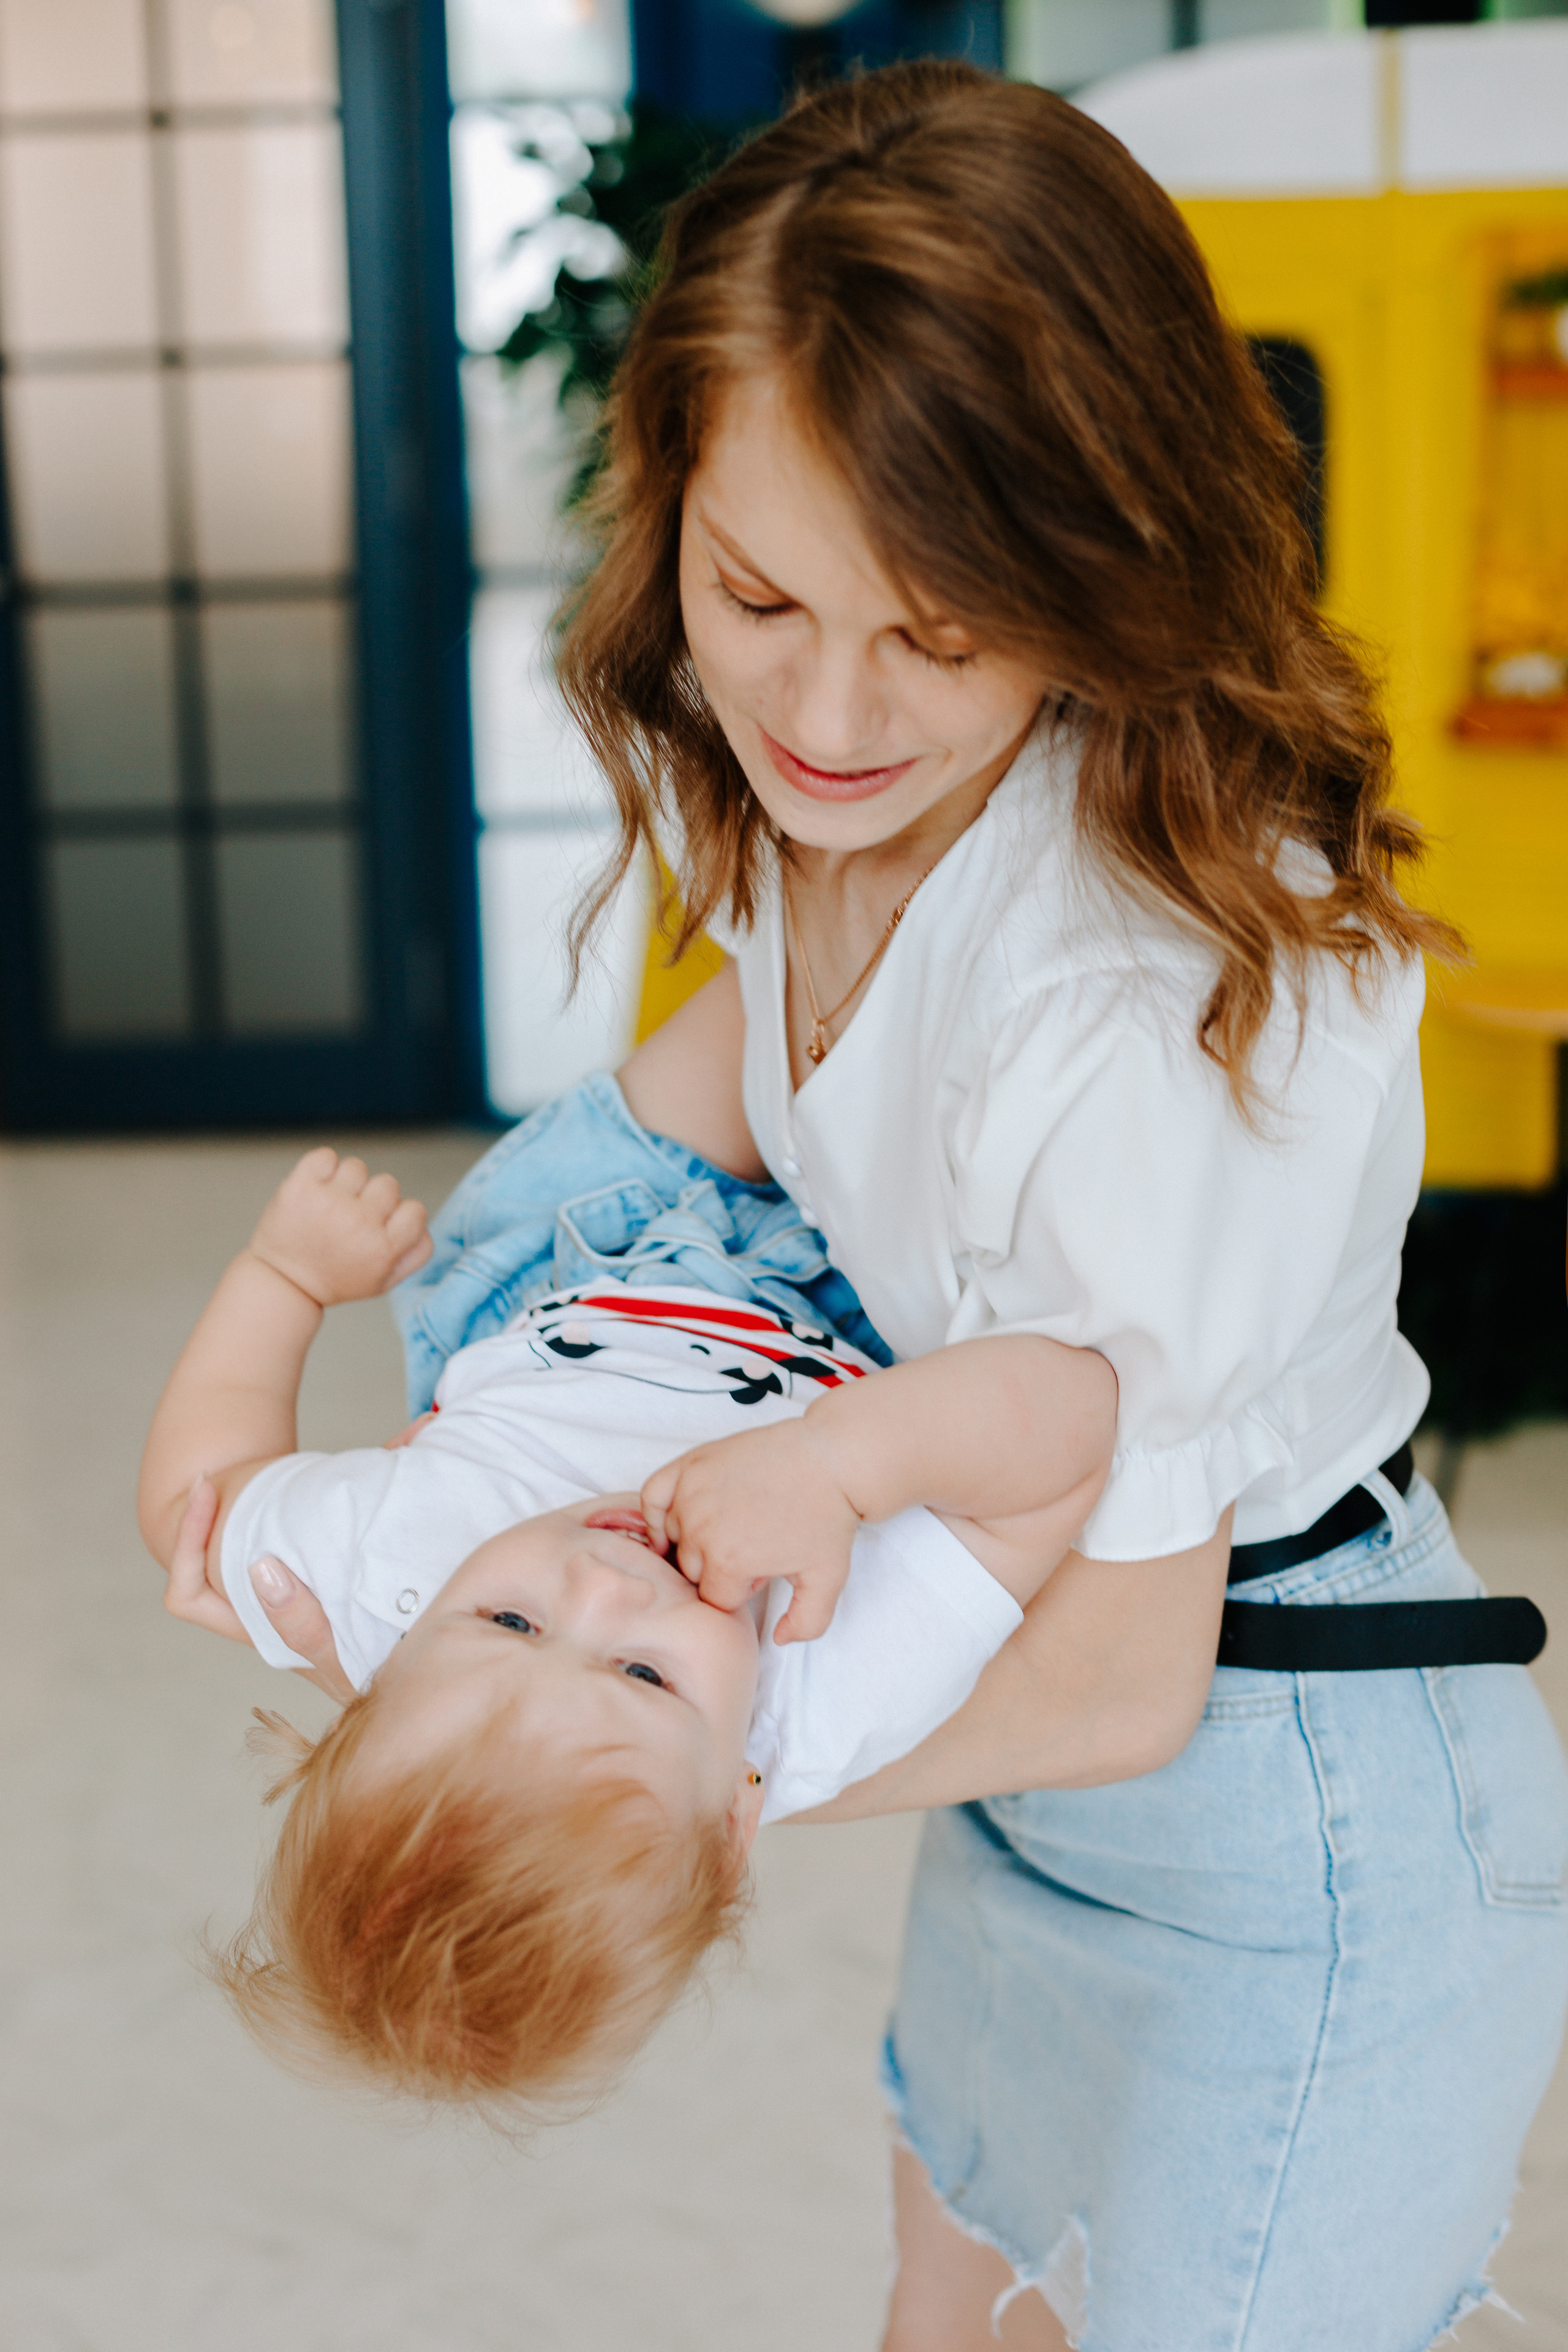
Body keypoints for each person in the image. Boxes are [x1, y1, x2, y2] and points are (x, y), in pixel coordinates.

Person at [519, 57, 1568, 2352]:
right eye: (758, 593)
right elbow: (671, 1132)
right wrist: (445, 1465)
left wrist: (650, 1766)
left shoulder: (1131, 988)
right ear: (671, 508)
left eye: (944, 628)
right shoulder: (832, 815)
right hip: (1024, 1767)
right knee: (956, 2317)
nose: (827, 707)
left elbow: (1119, 1671)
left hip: (1273, 1792)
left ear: (1102, 567)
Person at [138, 1132, 1112, 2106]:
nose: (603, 1582)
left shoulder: (380, 1580)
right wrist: (836, 1469)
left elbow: (190, 1506)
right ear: (735, 1817)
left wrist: (285, 1277)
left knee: (768, 1022)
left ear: (376, 1674)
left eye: (509, 1622)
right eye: (644, 1676)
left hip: (588, 1238)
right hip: (861, 1307)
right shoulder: (833, 1690)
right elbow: (1079, 1413)